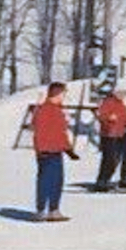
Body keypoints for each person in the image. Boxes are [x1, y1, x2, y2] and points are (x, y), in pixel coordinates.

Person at [31, 82, 79, 222]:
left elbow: (61, 133)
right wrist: (41, 149)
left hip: (57, 150)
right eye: (63, 94)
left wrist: (68, 149)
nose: (65, 96)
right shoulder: (44, 110)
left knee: (57, 181)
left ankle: (54, 209)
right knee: (45, 181)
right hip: (46, 151)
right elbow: (38, 131)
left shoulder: (58, 110)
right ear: (57, 94)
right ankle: (41, 210)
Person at [94, 89, 126, 192]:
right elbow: (101, 115)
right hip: (109, 134)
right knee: (109, 159)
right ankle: (101, 181)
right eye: (120, 93)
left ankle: (106, 179)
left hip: (119, 134)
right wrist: (108, 118)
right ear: (115, 93)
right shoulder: (108, 102)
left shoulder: (122, 105)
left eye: (124, 93)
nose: (122, 95)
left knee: (116, 159)